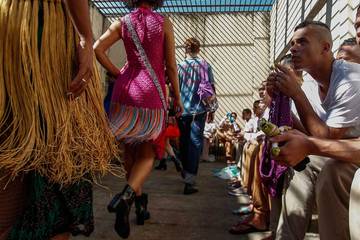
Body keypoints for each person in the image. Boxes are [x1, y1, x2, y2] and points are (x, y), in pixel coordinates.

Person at [0, 0, 118, 240]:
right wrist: (85, 36)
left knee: (12, 137)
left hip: (10, 25)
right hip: (44, 30)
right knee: (56, 151)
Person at [94, 0, 183, 238]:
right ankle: (126, 197)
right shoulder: (164, 22)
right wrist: (177, 97)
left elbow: (97, 49)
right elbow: (171, 67)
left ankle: (140, 205)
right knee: (147, 154)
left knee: (130, 154)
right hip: (151, 93)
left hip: (125, 92)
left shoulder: (121, 22)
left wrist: (118, 73)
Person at [267, 20, 360, 240]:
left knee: (331, 172)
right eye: (292, 43)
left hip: (349, 153)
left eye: (302, 42)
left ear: (326, 48)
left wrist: (296, 94)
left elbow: (324, 138)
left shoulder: (349, 78)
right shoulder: (309, 83)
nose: (292, 48)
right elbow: (309, 133)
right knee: (300, 165)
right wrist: (280, 98)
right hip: (339, 150)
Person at [177, 37, 216, 195]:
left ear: (185, 50)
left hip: (182, 110)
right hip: (199, 110)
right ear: (199, 49)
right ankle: (190, 181)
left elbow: (174, 87)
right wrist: (212, 109)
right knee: (194, 144)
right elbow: (211, 87)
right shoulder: (205, 65)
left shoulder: (179, 66)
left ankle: (186, 173)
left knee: (184, 143)